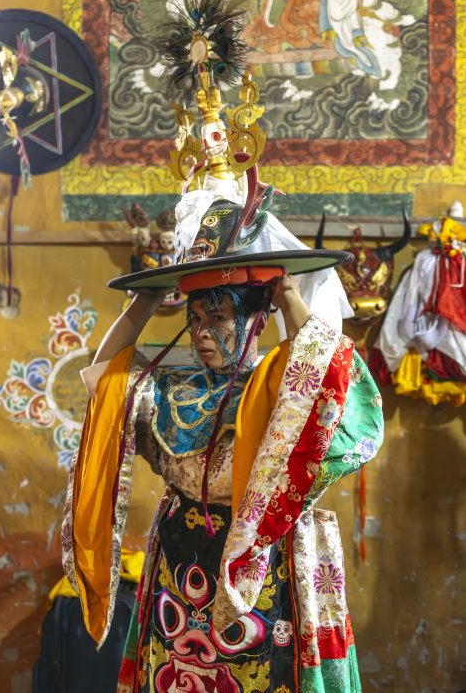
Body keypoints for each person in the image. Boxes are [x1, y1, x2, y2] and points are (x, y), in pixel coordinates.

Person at [62, 271, 384, 693]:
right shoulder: (172, 392)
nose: (202, 333)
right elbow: (105, 378)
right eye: (194, 319)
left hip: (265, 565)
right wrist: (144, 302)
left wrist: (288, 298)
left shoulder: (285, 398)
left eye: (218, 317)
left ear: (257, 323)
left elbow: (331, 374)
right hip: (180, 563)